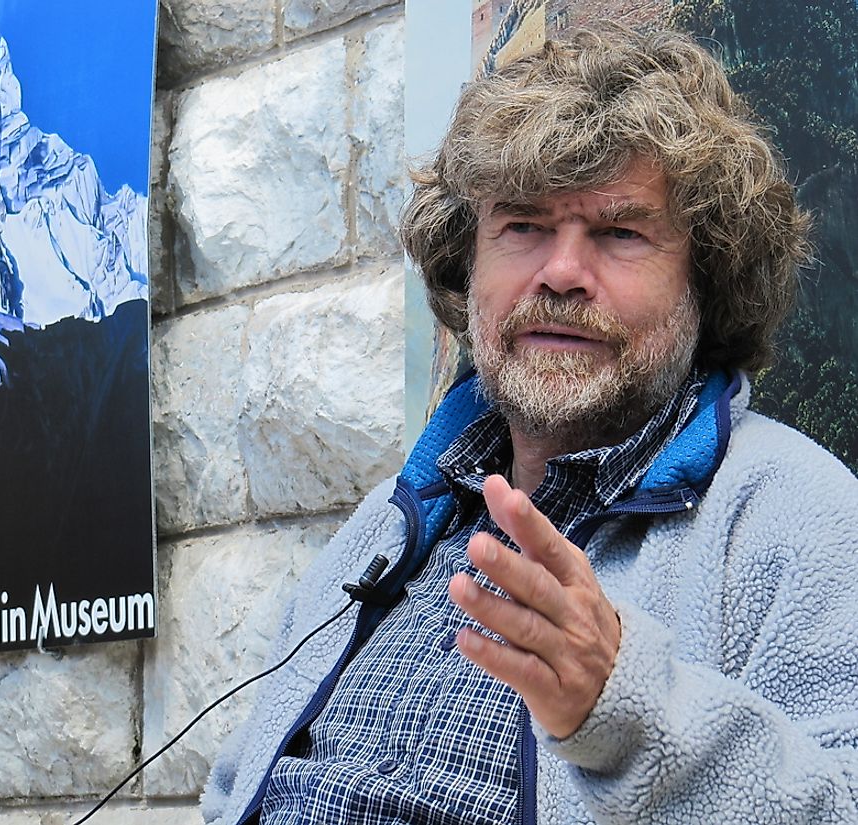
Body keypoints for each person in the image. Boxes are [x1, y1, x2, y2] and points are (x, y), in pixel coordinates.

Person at [201, 26, 858, 825]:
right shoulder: (387, 521)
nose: (561, 273)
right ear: (466, 263)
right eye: (522, 225)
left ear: (707, 278)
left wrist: (626, 709)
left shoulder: (798, 513)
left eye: (619, 232)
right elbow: (231, 791)